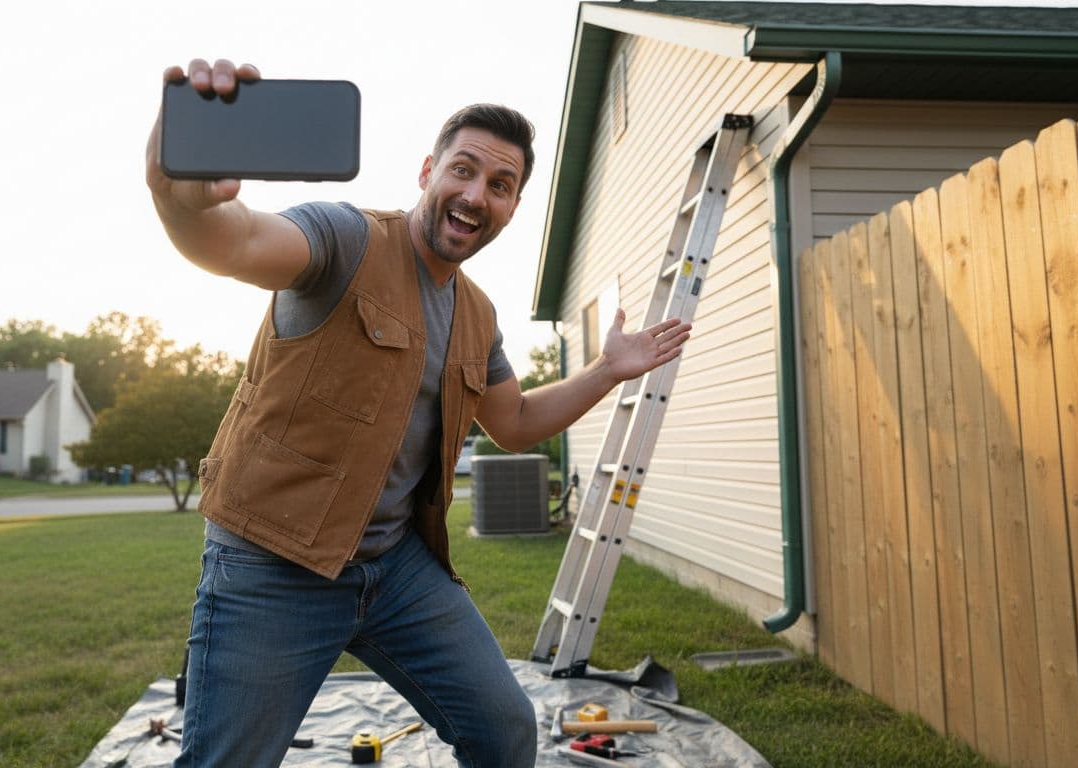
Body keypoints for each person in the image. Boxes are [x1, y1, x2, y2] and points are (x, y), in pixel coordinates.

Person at [146, 58, 693, 768]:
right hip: (273, 563)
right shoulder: (344, 239)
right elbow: (233, 240)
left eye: (501, 185)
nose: (476, 195)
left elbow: (516, 421)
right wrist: (179, 192)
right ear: (428, 170)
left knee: (505, 732)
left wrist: (606, 370)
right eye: (463, 171)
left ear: (513, 206)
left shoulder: (476, 313)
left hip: (395, 570)